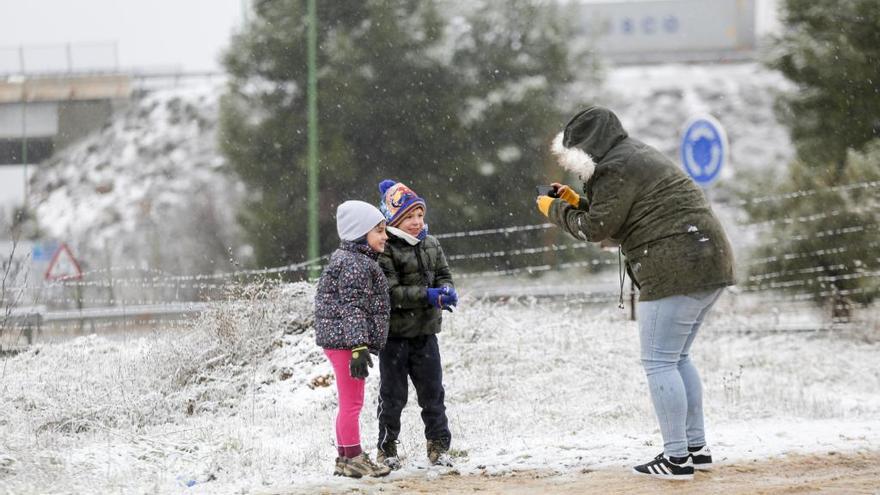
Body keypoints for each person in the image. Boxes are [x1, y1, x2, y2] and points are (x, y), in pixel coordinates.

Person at [536, 106, 735, 481]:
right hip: (710, 259)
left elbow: (597, 229)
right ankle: (695, 448)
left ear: (585, 148)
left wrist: (554, 211)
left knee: (660, 362)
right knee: (677, 359)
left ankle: (676, 459)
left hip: (676, 268)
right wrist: (576, 202)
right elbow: (623, 213)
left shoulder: (614, 168)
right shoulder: (634, 155)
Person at [373, 179, 459, 470]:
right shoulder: (386, 249)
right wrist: (427, 295)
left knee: (433, 394)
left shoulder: (431, 244)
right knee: (393, 397)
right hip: (395, 337)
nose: (416, 221)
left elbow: (444, 274)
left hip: (426, 334)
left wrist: (446, 290)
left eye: (420, 215)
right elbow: (391, 292)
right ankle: (387, 448)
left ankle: (439, 446)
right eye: (409, 216)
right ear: (394, 218)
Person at [314, 200, 392, 478]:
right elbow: (353, 307)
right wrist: (359, 346)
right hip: (346, 343)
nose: (385, 236)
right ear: (361, 233)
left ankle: (346, 459)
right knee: (352, 403)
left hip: (341, 340)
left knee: (349, 402)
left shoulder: (351, 259)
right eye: (379, 230)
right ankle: (355, 457)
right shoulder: (356, 264)